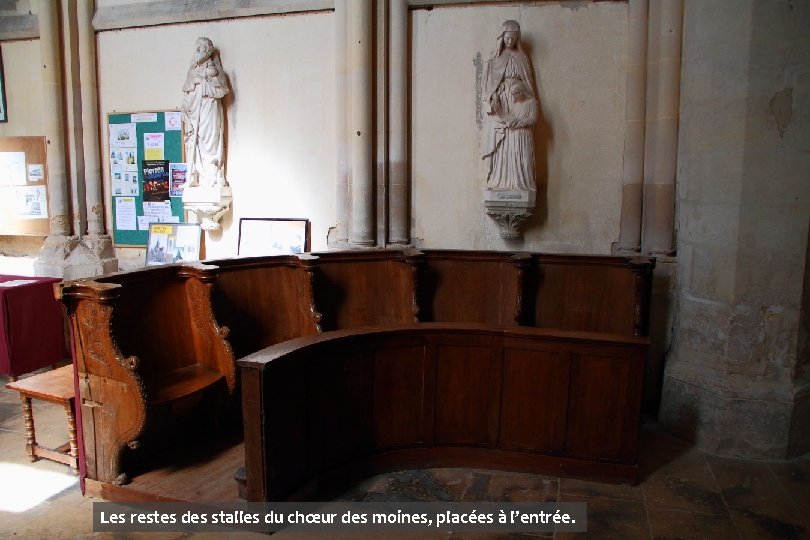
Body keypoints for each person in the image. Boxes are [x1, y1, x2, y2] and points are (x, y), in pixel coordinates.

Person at [481, 20, 537, 192]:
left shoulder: (522, 58)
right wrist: (493, 98)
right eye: (507, 38)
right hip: (501, 105)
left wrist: (524, 98)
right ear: (502, 37)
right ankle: (500, 181)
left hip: (518, 101)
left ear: (517, 38)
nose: (509, 41)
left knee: (518, 141)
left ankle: (518, 183)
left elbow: (528, 85)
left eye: (513, 38)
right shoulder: (494, 59)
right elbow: (487, 86)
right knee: (503, 142)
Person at [181, 37, 230, 188]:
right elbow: (186, 93)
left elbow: (222, 90)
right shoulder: (192, 72)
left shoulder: (214, 71)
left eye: (202, 48)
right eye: (197, 48)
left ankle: (213, 174)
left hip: (209, 108)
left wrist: (209, 80)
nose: (199, 51)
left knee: (210, 140)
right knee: (194, 142)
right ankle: (194, 175)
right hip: (195, 111)